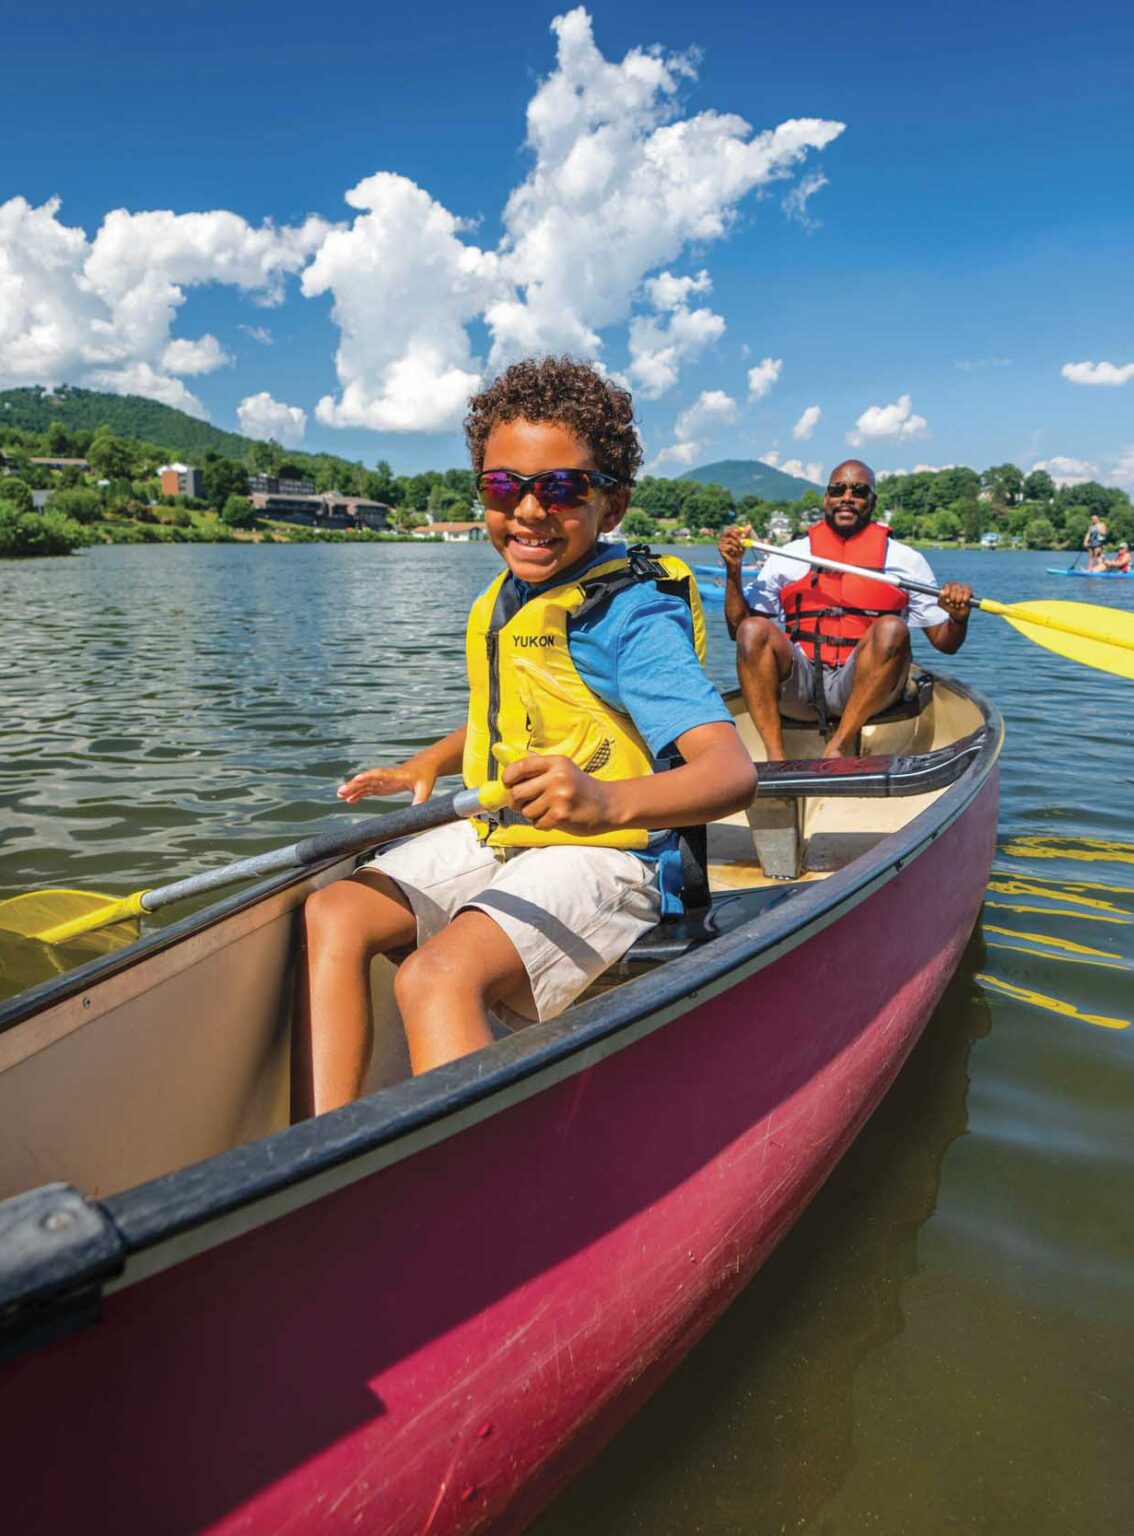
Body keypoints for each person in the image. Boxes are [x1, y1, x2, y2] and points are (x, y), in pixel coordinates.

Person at [292, 358, 756, 1115]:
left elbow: (731, 772)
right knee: (335, 912)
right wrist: (432, 761)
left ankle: (473, 1201)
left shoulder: (630, 615)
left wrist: (605, 803)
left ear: (611, 505)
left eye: (563, 488)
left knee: (434, 976)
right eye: (504, 487)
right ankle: (315, 1150)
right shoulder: (512, 595)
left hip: (615, 853)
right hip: (507, 828)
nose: (531, 511)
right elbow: (522, 713)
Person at [718, 460, 974, 761]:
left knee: (892, 628)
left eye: (859, 491)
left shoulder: (907, 561)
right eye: (837, 489)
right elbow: (739, 632)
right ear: (827, 498)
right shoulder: (789, 556)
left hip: (867, 694)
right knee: (753, 629)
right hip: (800, 688)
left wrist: (957, 616)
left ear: (873, 501)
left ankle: (839, 743)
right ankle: (776, 756)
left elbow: (946, 643)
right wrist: (733, 572)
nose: (847, 497)